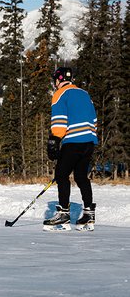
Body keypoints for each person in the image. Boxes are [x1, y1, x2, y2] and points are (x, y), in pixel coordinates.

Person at [44, 66, 98, 230]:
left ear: (58, 80)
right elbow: (94, 119)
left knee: (61, 175)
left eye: (55, 80)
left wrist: (54, 140)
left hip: (73, 141)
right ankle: (89, 215)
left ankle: (63, 216)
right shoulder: (85, 94)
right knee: (81, 176)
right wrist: (90, 135)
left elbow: (59, 121)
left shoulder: (59, 94)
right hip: (89, 141)